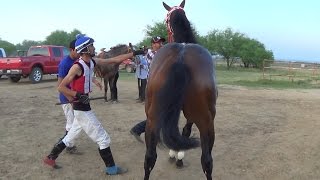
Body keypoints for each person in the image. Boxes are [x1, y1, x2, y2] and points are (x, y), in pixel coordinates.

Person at [43, 34, 145, 175]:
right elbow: (61, 87)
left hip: (83, 107)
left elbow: (113, 60)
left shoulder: (92, 61)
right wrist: (77, 95)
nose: (94, 47)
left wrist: (134, 53)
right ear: (85, 49)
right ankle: (111, 168)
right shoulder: (76, 67)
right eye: (91, 45)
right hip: (81, 109)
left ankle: (50, 158)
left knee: (70, 136)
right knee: (104, 139)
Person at [130, 36, 165, 142]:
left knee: (159, 113)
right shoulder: (151, 54)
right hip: (156, 87)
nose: (160, 44)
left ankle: (142, 130)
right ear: (153, 44)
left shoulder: (160, 53)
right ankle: (137, 129)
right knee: (160, 114)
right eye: (158, 43)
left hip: (159, 85)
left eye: (161, 42)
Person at [55, 39, 80, 154]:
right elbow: (60, 85)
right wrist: (69, 98)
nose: (80, 52)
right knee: (72, 123)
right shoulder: (65, 63)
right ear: (71, 50)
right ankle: (66, 146)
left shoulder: (77, 61)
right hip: (66, 99)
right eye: (77, 50)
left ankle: (67, 143)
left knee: (74, 122)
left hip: (73, 97)